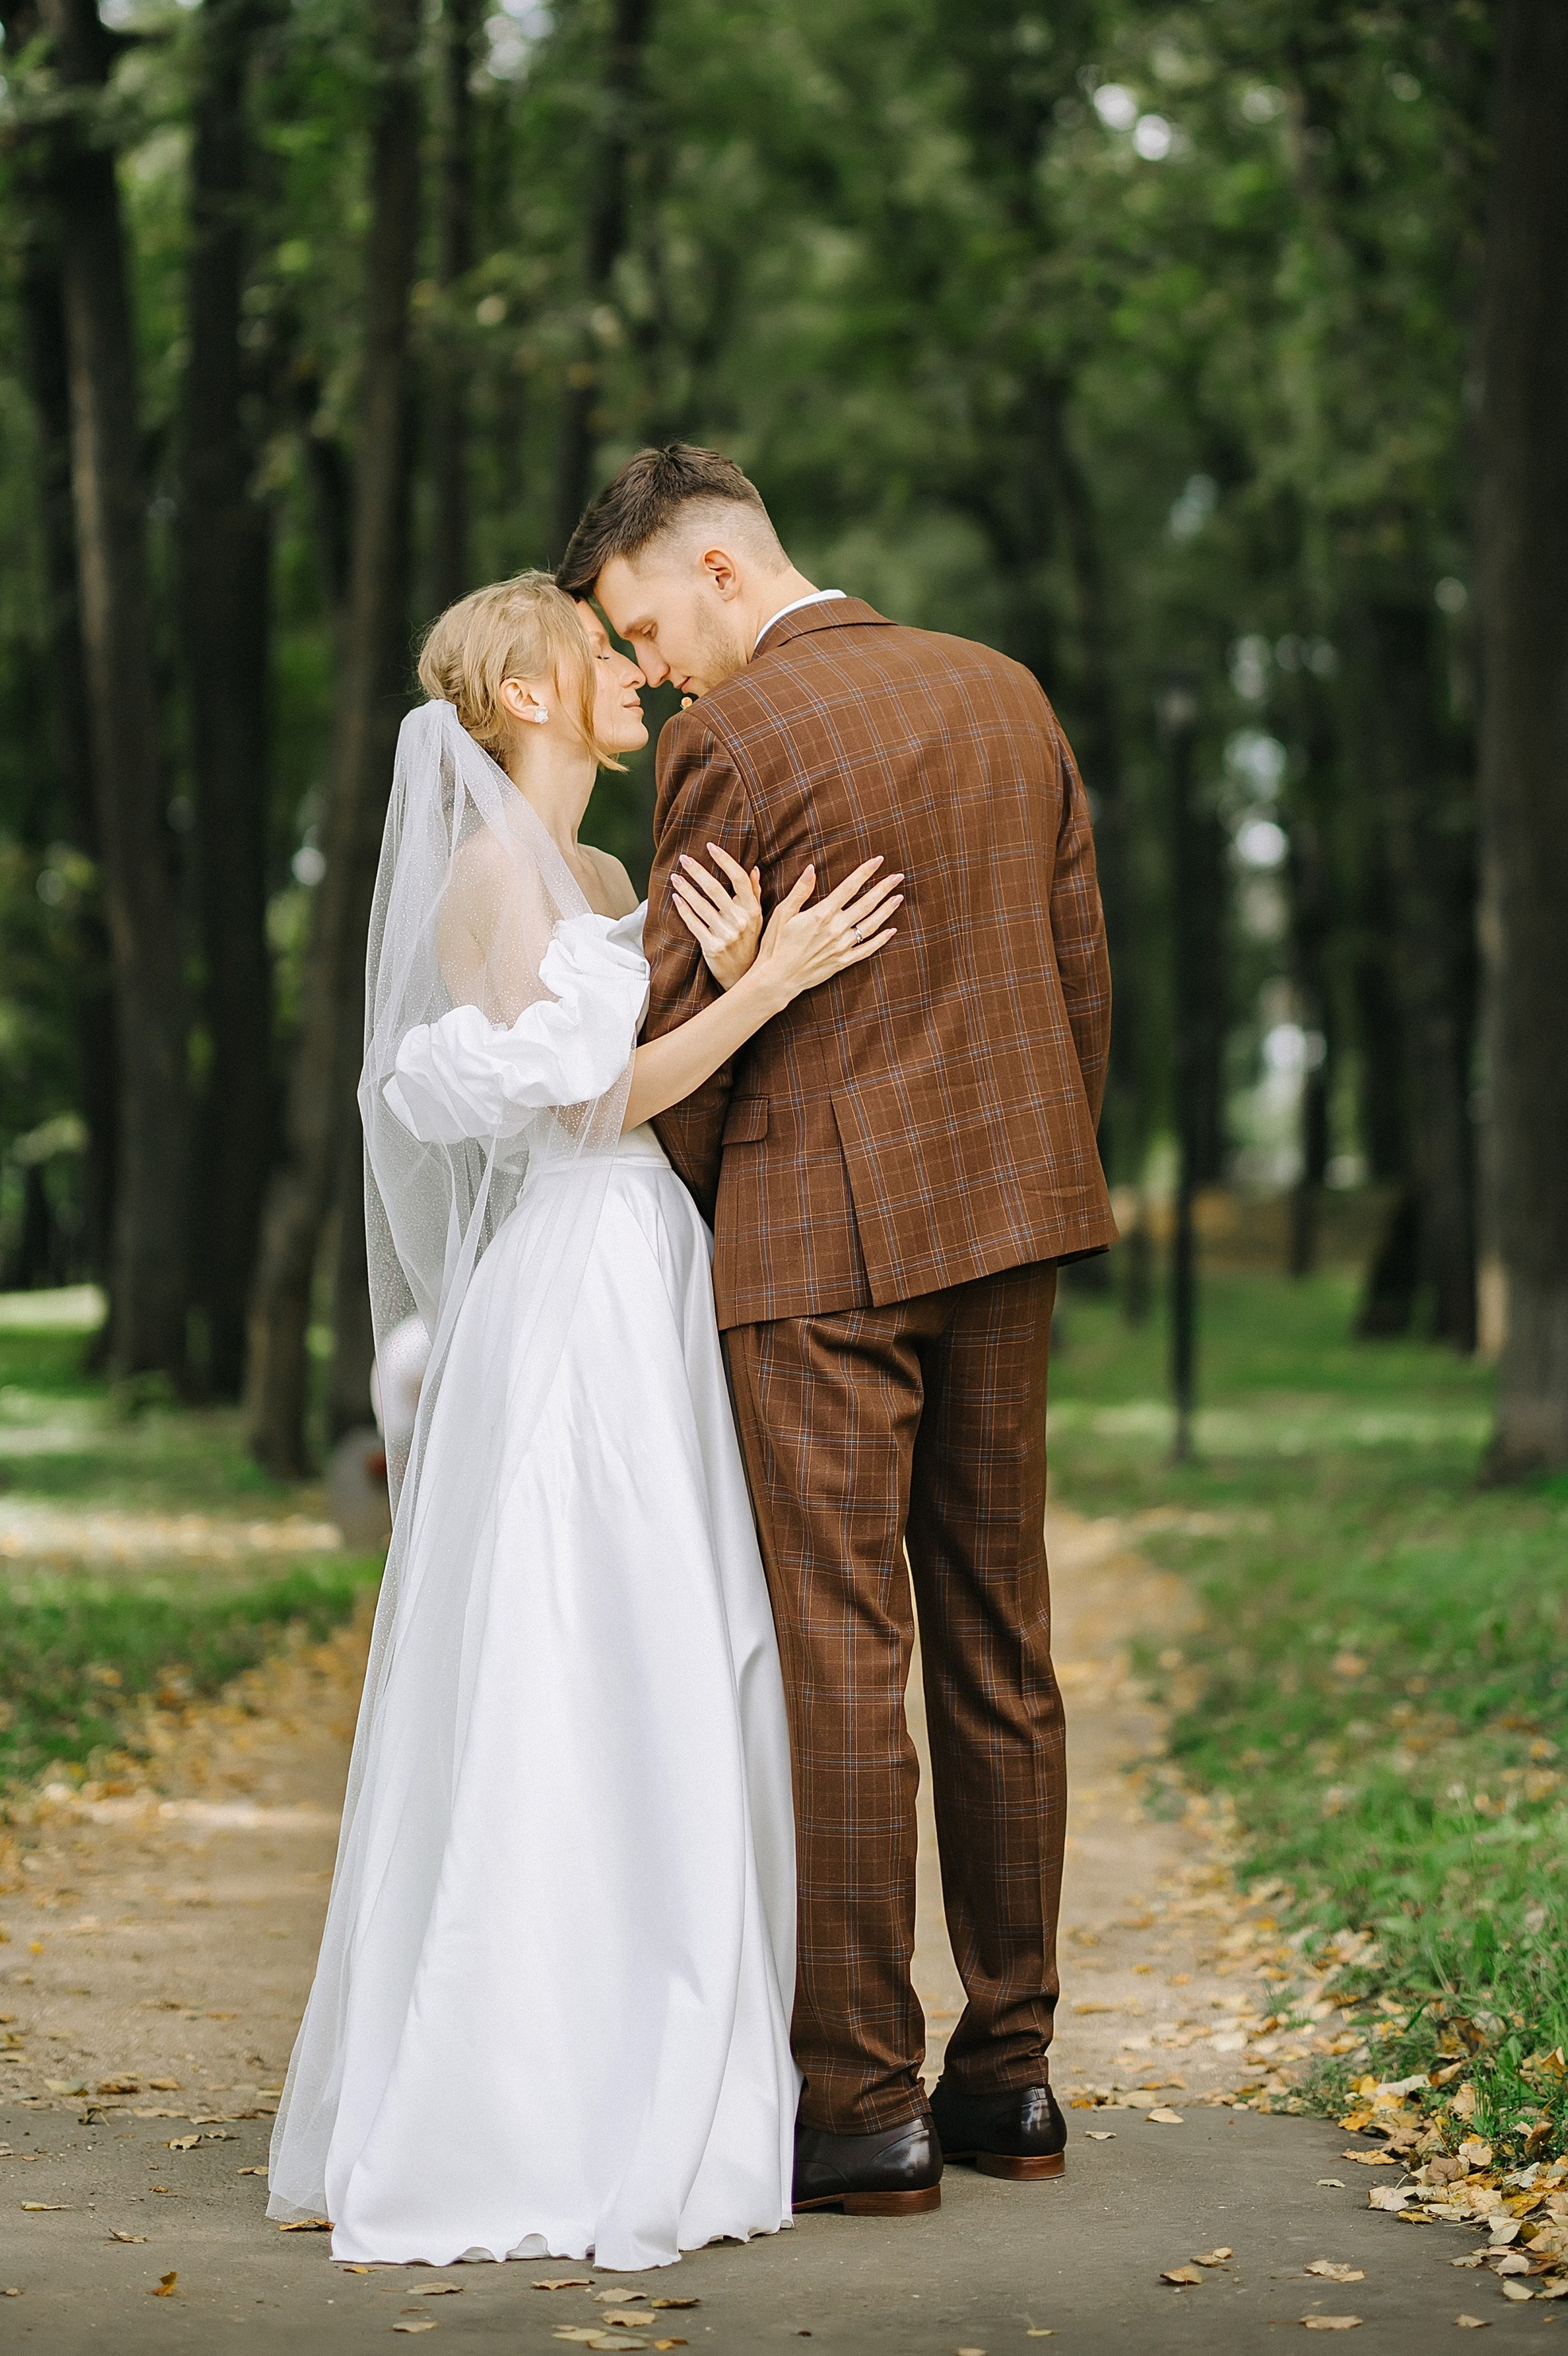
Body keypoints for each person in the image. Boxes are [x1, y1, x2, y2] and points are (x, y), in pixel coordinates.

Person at [267, 572, 900, 2272]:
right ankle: (527, 2082)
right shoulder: (489, 877)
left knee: (669, 1636)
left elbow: (649, 1075)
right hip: (573, 1280)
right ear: (530, 695)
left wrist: (733, 970)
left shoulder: (608, 876)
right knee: (569, 1639)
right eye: (601, 652)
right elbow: (586, 1099)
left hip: (653, 1259)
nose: (632, 670)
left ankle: (659, 2021)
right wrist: (771, 986)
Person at [560, 446, 1115, 2221]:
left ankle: (865, 2105)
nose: (653, 674)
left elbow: (676, 1053)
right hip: (1009, 1223)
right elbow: (1078, 975)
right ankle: (1012, 2078)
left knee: (840, 1657)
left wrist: (707, 1212)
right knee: (1002, 1640)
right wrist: (1032, 1169)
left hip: (817, 1248)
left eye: (649, 627)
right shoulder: (1007, 693)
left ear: (719, 567)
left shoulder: (738, 741)